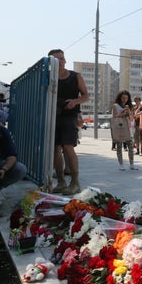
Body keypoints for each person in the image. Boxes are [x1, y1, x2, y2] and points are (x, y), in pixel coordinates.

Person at [49, 49, 89, 195]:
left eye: (62, 58)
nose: (60, 61)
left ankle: (75, 182)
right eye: (56, 59)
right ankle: (60, 181)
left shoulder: (75, 76)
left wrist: (75, 101)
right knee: (55, 149)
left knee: (68, 147)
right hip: (53, 115)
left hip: (69, 115)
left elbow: (86, 95)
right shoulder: (47, 77)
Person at [111, 90, 136, 170]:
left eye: (126, 98)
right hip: (119, 127)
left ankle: (132, 164)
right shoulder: (116, 106)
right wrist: (122, 113)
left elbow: (132, 119)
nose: (124, 100)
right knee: (119, 146)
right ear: (120, 98)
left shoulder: (129, 106)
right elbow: (114, 117)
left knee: (131, 146)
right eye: (123, 98)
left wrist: (128, 112)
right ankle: (121, 164)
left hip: (128, 128)